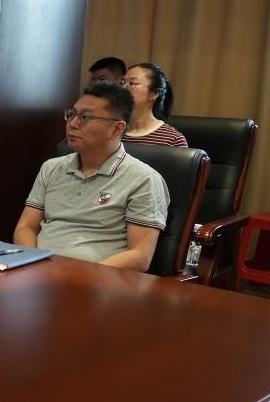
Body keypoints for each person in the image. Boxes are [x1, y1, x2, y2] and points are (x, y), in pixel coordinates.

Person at [14, 82, 168, 271]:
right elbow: (26, 227)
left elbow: (140, 256)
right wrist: (31, 264)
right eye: (72, 114)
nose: (72, 124)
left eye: (85, 117)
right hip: (39, 272)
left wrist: (80, 276)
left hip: (97, 280)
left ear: (117, 129)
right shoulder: (51, 168)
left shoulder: (144, 179)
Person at [121, 62, 188, 147]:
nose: (123, 88)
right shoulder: (112, 131)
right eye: (122, 83)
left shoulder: (173, 140)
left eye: (132, 83)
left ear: (154, 93)